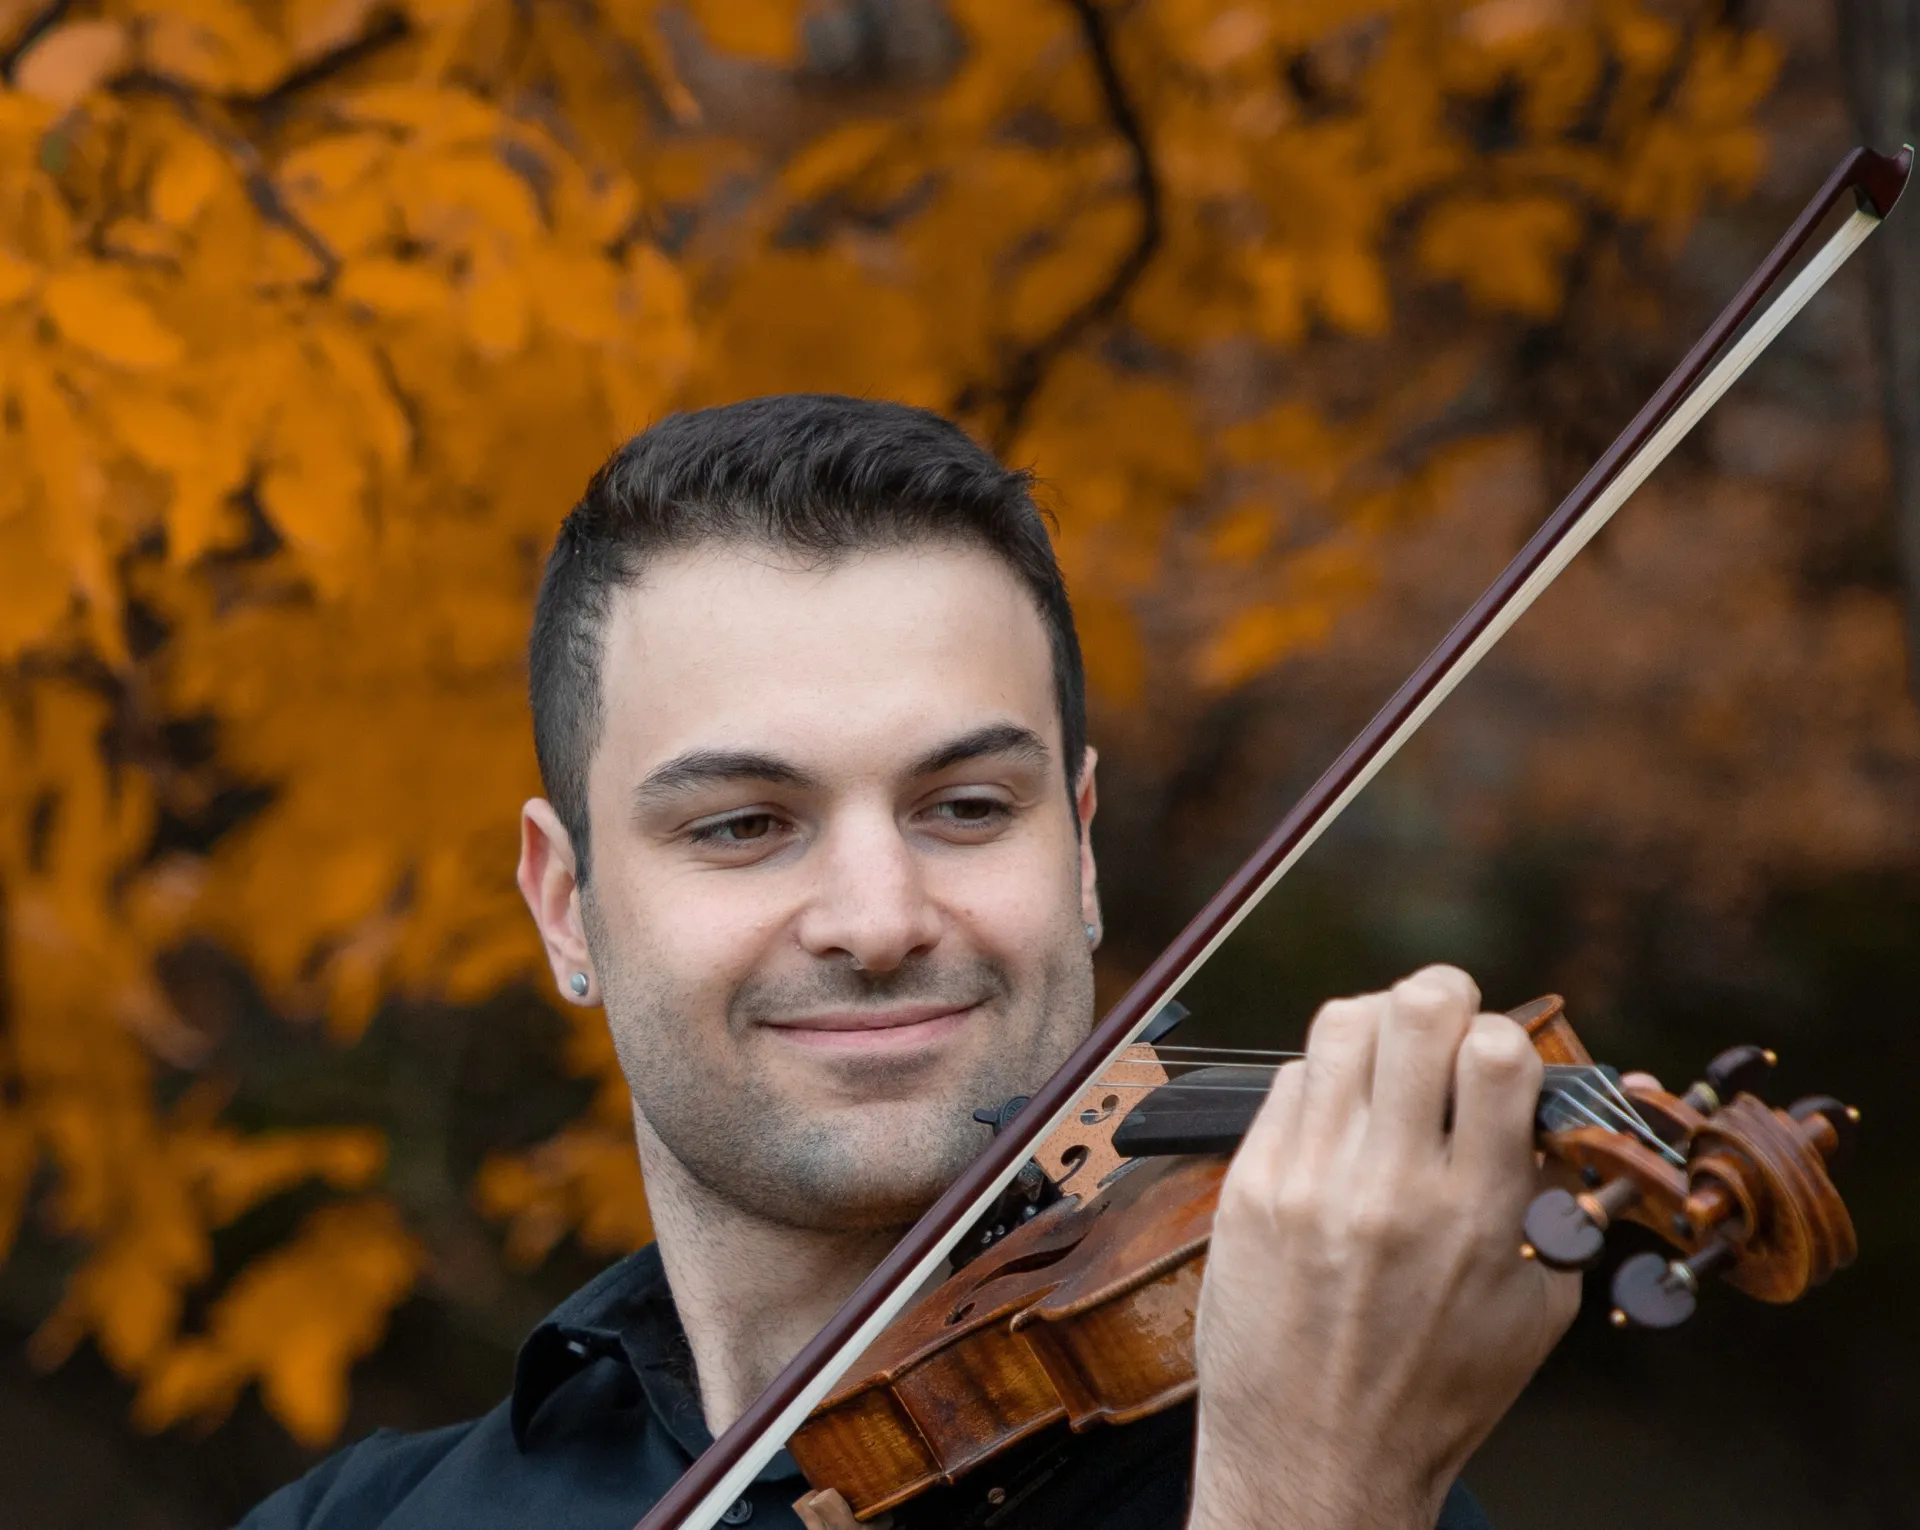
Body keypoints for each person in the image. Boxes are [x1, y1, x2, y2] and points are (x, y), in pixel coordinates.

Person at [237, 395, 1579, 1530]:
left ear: (1081, 852)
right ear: (565, 908)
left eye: (968, 808)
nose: (879, 921)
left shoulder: (1323, 1474)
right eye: (744, 825)